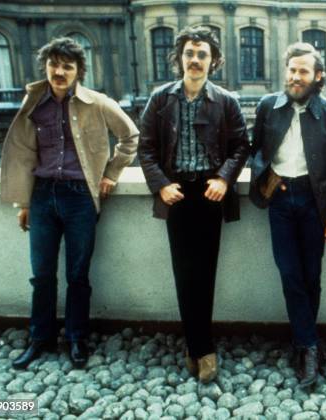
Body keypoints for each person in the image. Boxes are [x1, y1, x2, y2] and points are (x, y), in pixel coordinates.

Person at [0, 37, 139, 369]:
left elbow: (130, 136)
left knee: (78, 274)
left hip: (79, 198)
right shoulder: (34, 102)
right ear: (46, 65)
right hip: (42, 196)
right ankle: (40, 339)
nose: (59, 71)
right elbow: (24, 154)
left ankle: (77, 338)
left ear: (79, 71)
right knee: (42, 274)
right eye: (54, 64)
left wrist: (111, 174)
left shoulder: (97, 102)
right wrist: (24, 202)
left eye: (67, 66)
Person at [138, 26, 249, 383]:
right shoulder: (161, 99)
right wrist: (161, 185)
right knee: (184, 275)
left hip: (209, 194)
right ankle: (198, 347)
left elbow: (241, 146)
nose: (195, 60)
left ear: (212, 61)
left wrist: (223, 178)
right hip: (177, 194)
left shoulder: (226, 101)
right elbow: (146, 148)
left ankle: (201, 347)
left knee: (206, 272)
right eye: (190, 53)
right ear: (179, 58)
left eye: (202, 55)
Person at [249, 42, 326, 388]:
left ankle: (305, 341)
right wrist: (269, 178)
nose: (295, 77)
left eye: (303, 71)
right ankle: (308, 346)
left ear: (317, 76)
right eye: (291, 70)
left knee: (311, 275)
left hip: (314, 201)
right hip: (281, 199)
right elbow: (254, 151)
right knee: (290, 273)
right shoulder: (267, 106)